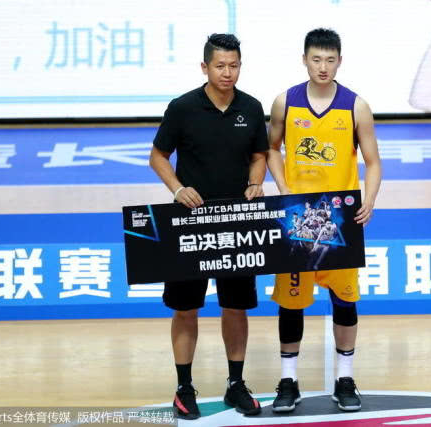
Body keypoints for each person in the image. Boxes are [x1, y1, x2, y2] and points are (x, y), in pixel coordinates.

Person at [149, 33, 268, 420]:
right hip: (190, 223)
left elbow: (259, 155)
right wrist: (177, 188)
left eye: (234, 65)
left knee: (236, 307)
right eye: (220, 66)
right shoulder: (182, 107)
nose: (227, 73)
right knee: (186, 309)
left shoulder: (251, 107)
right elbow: (158, 156)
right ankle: (184, 388)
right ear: (205, 67)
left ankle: (236, 384)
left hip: (237, 223)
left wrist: (256, 182)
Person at [266, 28, 382, 412]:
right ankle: (288, 381)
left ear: (340, 61)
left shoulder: (356, 106)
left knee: (345, 300)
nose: (323, 67)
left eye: (330, 60)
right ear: (304, 59)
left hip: (340, 222)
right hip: (297, 219)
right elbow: (271, 148)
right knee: (291, 303)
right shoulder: (286, 102)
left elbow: (373, 162)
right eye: (316, 59)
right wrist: (284, 188)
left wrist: (369, 200)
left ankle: (345, 378)